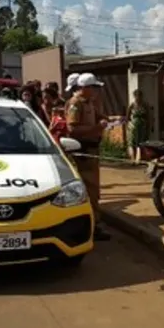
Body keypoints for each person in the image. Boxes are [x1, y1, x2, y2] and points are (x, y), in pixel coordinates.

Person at [66, 73, 111, 241]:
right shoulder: (75, 104)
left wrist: (105, 119)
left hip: (92, 151)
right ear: (84, 88)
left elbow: (96, 117)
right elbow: (72, 129)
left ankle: (94, 223)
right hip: (83, 151)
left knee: (94, 188)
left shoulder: (89, 103)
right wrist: (95, 128)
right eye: (93, 87)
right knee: (89, 189)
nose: (96, 91)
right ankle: (92, 226)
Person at [125, 89, 151, 159]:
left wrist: (149, 126)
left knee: (140, 143)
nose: (138, 98)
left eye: (139, 96)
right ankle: (132, 158)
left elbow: (148, 116)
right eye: (136, 96)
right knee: (132, 142)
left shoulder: (145, 105)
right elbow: (127, 117)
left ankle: (138, 158)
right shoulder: (132, 105)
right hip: (133, 126)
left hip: (142, 126)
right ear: (134, 96)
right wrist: (127, 126)